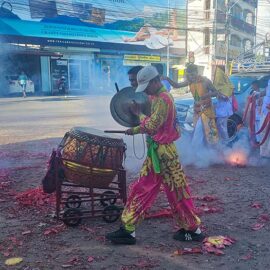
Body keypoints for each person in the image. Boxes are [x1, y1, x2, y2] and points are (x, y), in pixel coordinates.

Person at [106, 65, 203, 245]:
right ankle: (190, 229)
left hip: (162, 153)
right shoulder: (160, 96)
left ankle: (130, 230)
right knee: (175, 191)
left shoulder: (163, 99)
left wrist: (135, 123)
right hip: (163, 151)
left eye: (146, 87)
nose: (145, 91)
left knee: (150, 189)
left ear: (155, 81)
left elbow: (151, 126)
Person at [163, 63, 220, 146]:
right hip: (197, 110)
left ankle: (196, 150)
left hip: (206, 110)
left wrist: (206, 95)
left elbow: (216, 92)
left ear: (197, 72)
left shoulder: (205, 81)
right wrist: (167, 79)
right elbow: (177, 85)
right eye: (189, 75)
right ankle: (205, 149)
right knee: (200, 130)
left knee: (201, 130)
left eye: (192, 75)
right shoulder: (190, 81)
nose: (191, 77)